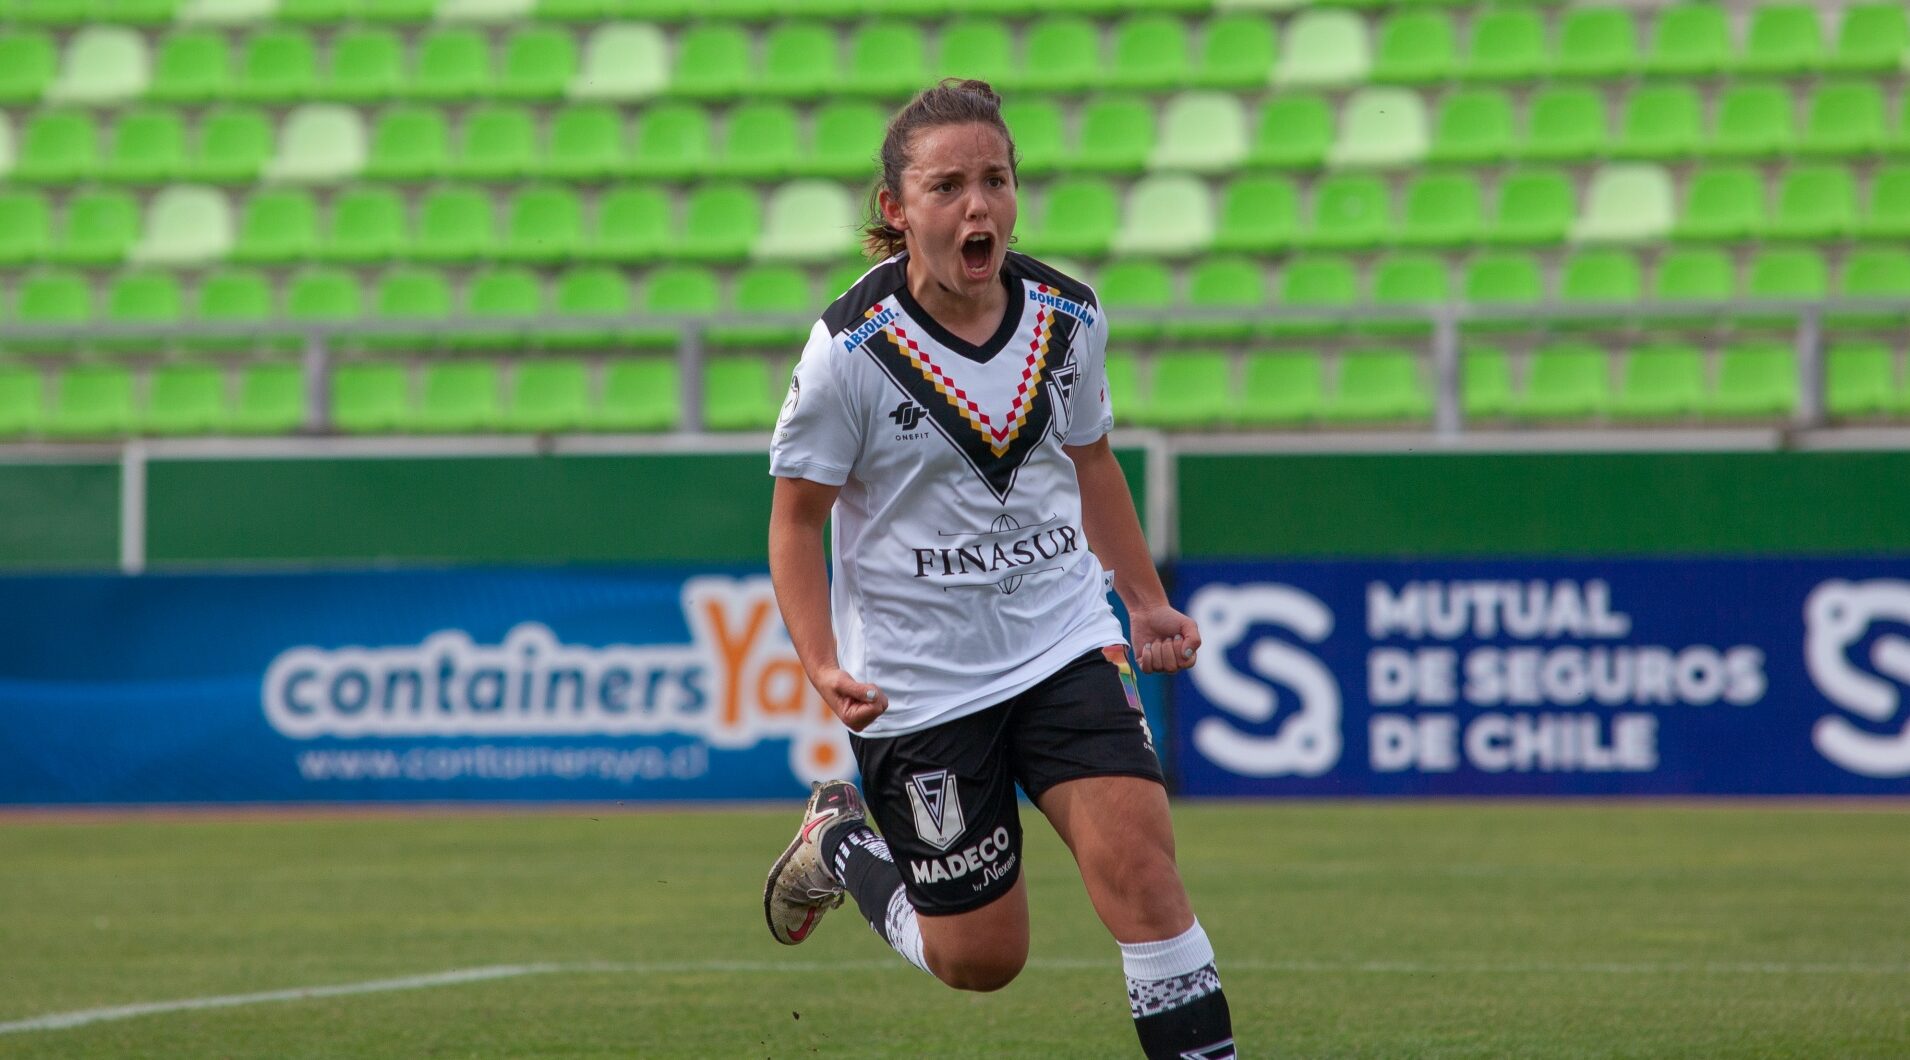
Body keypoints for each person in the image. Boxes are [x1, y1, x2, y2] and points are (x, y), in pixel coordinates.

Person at [761, 79, 1236, 1060]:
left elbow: (1090, 459)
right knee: (981, 956)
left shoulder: (1068, 315)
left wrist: (1142, 603)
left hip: (1061, 637)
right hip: (921, 679)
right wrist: (817, 663)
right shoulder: (847, 348)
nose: (977, 206)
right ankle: (843, 845)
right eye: (946, 187)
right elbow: (794, 520)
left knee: (1144, 879)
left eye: (995, 180)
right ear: (895, 211)